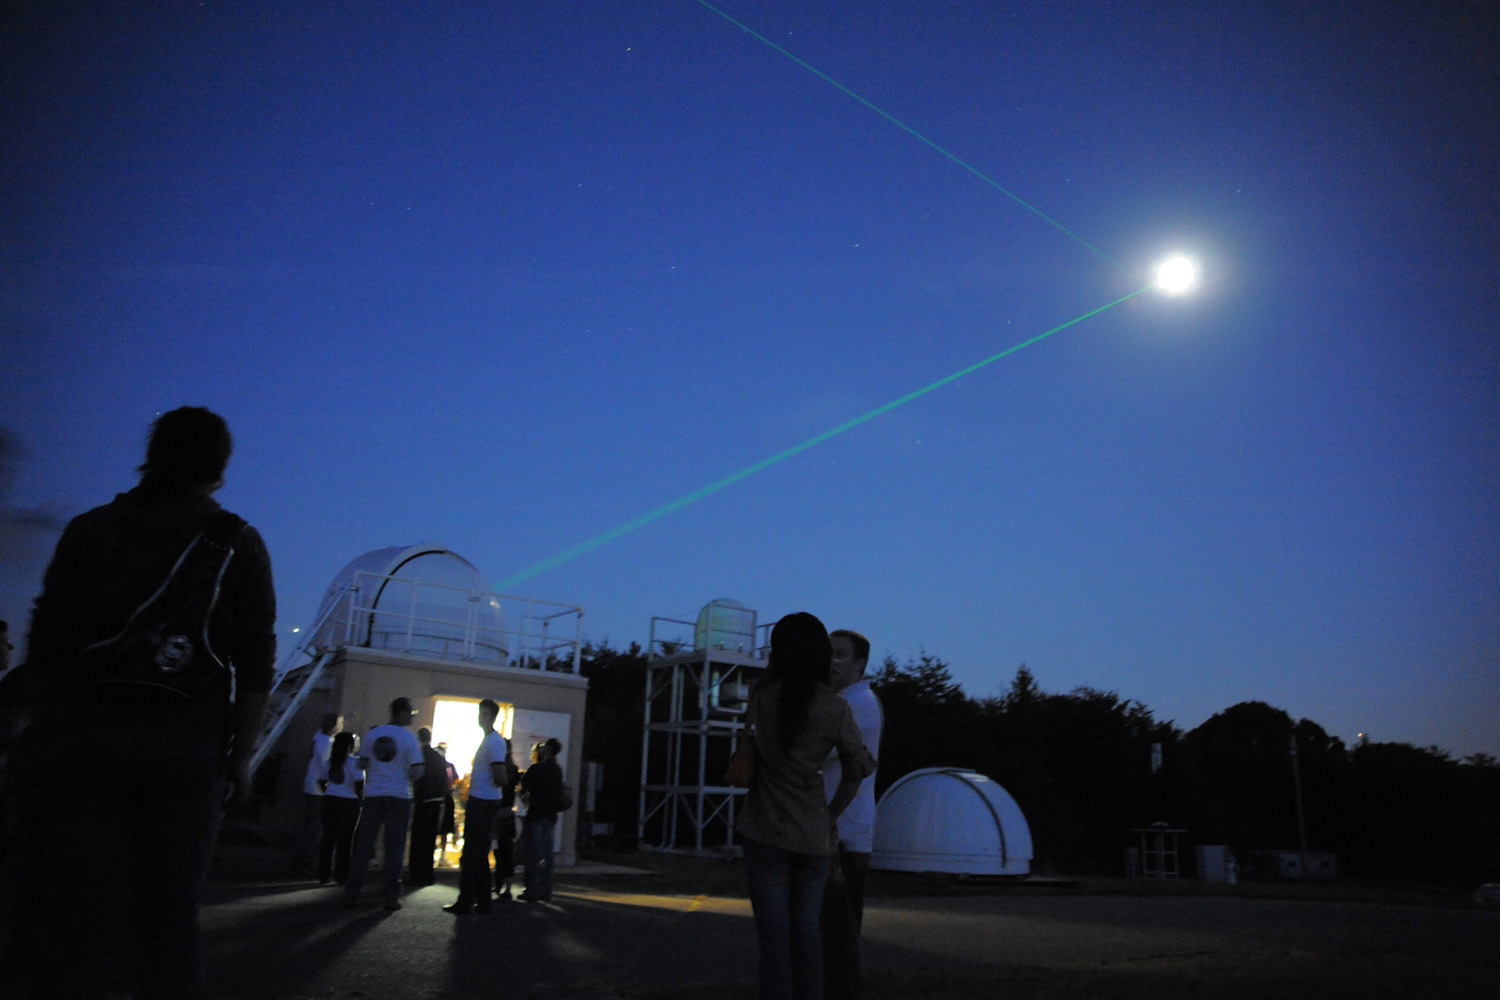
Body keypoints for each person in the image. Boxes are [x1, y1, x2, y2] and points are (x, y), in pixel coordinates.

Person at [13, 406, 276, 999]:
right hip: (184, 752)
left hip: (85, 741)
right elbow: (255, 663)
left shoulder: (89, 530)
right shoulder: (236, 543)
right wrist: (241, 758)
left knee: (80, 915)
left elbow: (46, 641)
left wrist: (42, 729)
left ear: (151, 455)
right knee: (169, 919)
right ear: (220, 470)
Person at [736, 612, 875, 1000]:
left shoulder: (761, 696)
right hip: (814, 837)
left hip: (765, 831)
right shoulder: (836, 708)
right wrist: (830, 814)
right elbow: (857, 769)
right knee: (808, 940)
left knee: (774, 944)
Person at [820, 629, 884, 1000]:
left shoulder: (857, 704)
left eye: (841, 655)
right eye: (827, 653)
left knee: (838, 937)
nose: (831, 661)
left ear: (861, 664)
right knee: (832, 934)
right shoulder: (844, 701)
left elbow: (815, 750)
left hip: (844, 834)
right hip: (840, 831)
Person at [343, 697, 423, 911]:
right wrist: (402, 772)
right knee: (394, 847)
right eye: (410, 713)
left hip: (373, 793)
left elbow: (362, 763)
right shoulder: (409, 738)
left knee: (363, 844)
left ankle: (352, 892)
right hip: (398, 795)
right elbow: (417, 771)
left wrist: (377, 771)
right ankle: (390, 897)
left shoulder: (373, 735)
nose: (411, 717)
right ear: (401, 713)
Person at [445, 700, 508, 913]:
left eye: (486, 714)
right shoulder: (491, 741)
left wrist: (496, 784)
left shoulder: (493, 742)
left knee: (473, 852)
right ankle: (481, 900)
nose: (481, 717)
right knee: (478, 853)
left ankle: (468, 900)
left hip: (483, 802)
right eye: (481, 713)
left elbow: (500, 775)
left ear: (493, 716)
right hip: (484, 800)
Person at [518, 737, 564, 902]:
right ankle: (546, 891)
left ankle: (531, 891)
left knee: (533, 855)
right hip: (550, 816)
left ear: (548, 750)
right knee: (547, 855)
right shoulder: (557, 770)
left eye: (543, 747)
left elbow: (524, 785)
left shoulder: (537, 769)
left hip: (536, 814)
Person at [317, 731, 364, 884]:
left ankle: (324, 873)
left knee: (328, 838)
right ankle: (341, 874)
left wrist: (330, 791)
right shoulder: (354, 763)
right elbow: (359, 784)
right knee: (345, 840)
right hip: (349, 802)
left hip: (330, 800)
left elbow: (321, 781)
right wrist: (361, 799)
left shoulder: (329, 762)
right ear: (350, 746)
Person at [406, 726, 448, 887]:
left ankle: (415, 874)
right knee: (430, 840)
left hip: (422, 802)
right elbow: (445, 781)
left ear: (419, 739)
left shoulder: (419, 756)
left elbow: (415, 778)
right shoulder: (438, 758)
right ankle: (428, 874)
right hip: (436, 802)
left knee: (417, 839)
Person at [300, 712, 341, 874]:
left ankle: (304, 860)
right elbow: (326, 768)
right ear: (334, 726)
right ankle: (307, 862)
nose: (342, 726)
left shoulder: (318, 737)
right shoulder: (326, 743)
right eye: (340, 723)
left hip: (311, 785)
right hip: (319, 789)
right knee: (315, 828)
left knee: (310, 825)